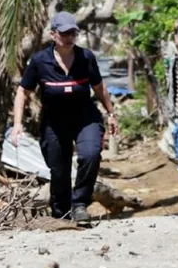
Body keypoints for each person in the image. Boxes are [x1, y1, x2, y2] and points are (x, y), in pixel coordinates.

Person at [11, 11, 119, 225]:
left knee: (90, 154)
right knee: (58, 169)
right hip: (54, 122)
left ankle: (79, 204)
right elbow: (23, 92)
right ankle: (60, 211)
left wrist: (111, 113)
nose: (69, 37)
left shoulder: (85, 57)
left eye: (73, 33)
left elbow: (99, 87)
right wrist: (17, 124)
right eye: (65, 33)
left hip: (85, 118)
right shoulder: (41, 61)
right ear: (53, 35)